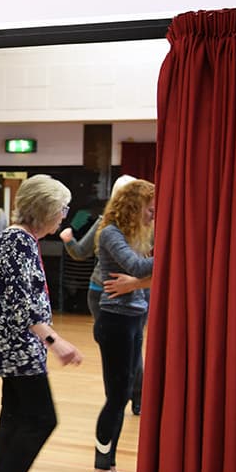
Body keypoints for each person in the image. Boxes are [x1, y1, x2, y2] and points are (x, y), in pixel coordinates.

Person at [0, 174, 84, 472]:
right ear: (45, 210)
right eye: (61, 209)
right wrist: (56, 342)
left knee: (16, 418)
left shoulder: (16, 239)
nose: (64, 216)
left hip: (17, 345)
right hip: (19, 346)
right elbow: (21, 301)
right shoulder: (17, 242)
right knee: (41, 419)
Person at [87, 179, 155, 472]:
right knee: (116, 396)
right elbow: (138, 266)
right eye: (149, 210)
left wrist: (139, 281)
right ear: (132, 207)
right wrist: (173, 246)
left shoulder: (134, 233)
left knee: (124, 393)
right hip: (114, 321)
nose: (152, 216)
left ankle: (110, 466)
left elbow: (145, 274)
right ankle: (102, 468)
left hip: (132, 318)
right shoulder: (111, 232)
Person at [59, 174, 148, 415]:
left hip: (108, 290)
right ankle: (133, 399)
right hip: (123, 291)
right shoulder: (126, 225)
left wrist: (68, 239)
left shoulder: (108, 224)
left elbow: (79, 252)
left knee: (121, 350)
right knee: (129, 348)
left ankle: (121, 399)